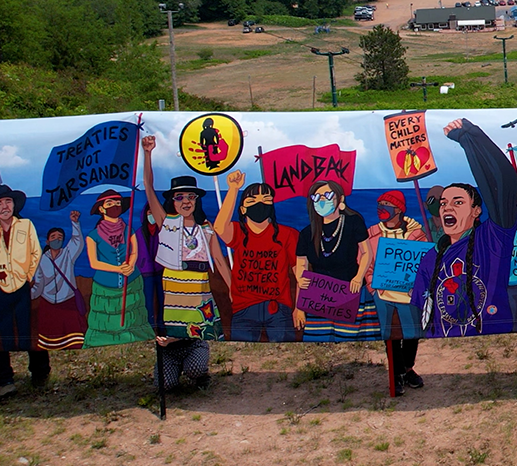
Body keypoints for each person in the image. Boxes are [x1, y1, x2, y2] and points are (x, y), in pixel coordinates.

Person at [414, 120, 517, 338]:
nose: (448, 207)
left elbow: (504, 179)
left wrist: (470, 138)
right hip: (446, 350)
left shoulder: (493, 239)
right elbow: (421, 308)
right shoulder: (431, 258)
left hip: (493, 342)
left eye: (458, 202)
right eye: (444, 203)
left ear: (476, 211)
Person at [140, 136, 221, 340]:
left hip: (201, 283)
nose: (186, 201)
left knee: (204, 333)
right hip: (175, 283)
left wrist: (232, 288)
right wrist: (147, 153)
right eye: (179, 197)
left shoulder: (205, 226)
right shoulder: (166, 222)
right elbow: (148, 188)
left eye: (190, 197)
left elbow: (219, 259)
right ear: (172, 202)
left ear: (196, 200)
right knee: (177, 333)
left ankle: (198, 364)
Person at [213, 172, 301, 343]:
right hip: (244, 307)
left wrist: (299, 307)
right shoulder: (239, 232)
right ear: (243, 209)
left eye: (266, 199)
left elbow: (300, 275)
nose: (260, 204)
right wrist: (233, 189)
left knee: (285, 353)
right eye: (252, 201)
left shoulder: (288, 234)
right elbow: (219, 227)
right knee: (241, 354)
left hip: (278, 307)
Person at [359, 190, 429, 389]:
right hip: (382, 292)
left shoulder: (416, 233)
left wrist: (416, 287)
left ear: (398, 209)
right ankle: (396, 372)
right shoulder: (372, 233)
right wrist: (373, 288)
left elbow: (424, 262)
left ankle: (408, 368)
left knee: (412, 331)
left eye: (386, 204)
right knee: (389, 333)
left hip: (408, 292)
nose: (381, 208)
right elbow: (365, 261)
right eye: (379, 204)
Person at [294, 178, 375, 341]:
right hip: (318, 298)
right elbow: (301, 266)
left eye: (327, 195)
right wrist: (299, 300)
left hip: (351, 293)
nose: (322, 200)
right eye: (317, 197)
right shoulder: (306, 233)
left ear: (340, 199)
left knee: (352, 341)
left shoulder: (353, 222)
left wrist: (358, 277)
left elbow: (367, 252)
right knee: (319, 341)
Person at [82, 190, 152, 347]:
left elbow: (135, 251)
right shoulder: (92, 236)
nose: (115, 206)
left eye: (118, 203)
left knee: (133, 317)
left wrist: (131, 265)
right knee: (107, 320)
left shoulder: (128, 230)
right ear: (101, 209)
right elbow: (94, 263)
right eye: (110, 204)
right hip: (105, 286)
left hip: (132, 282)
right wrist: (118, 269)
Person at [0, 184, 40, 354]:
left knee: (26, 330)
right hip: (0, 290)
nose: (4, 206)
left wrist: (28, 276)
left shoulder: (26, 225)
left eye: (8, 201)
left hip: (22, 287)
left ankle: (38, 373)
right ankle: (6, 375)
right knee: (4, 333)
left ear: (14, 204)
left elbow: (36, 252)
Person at [32, 214, 87, 352]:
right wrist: (27, 296)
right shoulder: (42, 260)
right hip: (48, 304)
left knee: (74, 340)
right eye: (53, 237)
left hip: (68, 301)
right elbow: (38, 284)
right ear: (47, 241)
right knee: (49, 341)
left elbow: (77, 242)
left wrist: (74, 223)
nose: (57, 239)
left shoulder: (68, 254)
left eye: (60, 237)